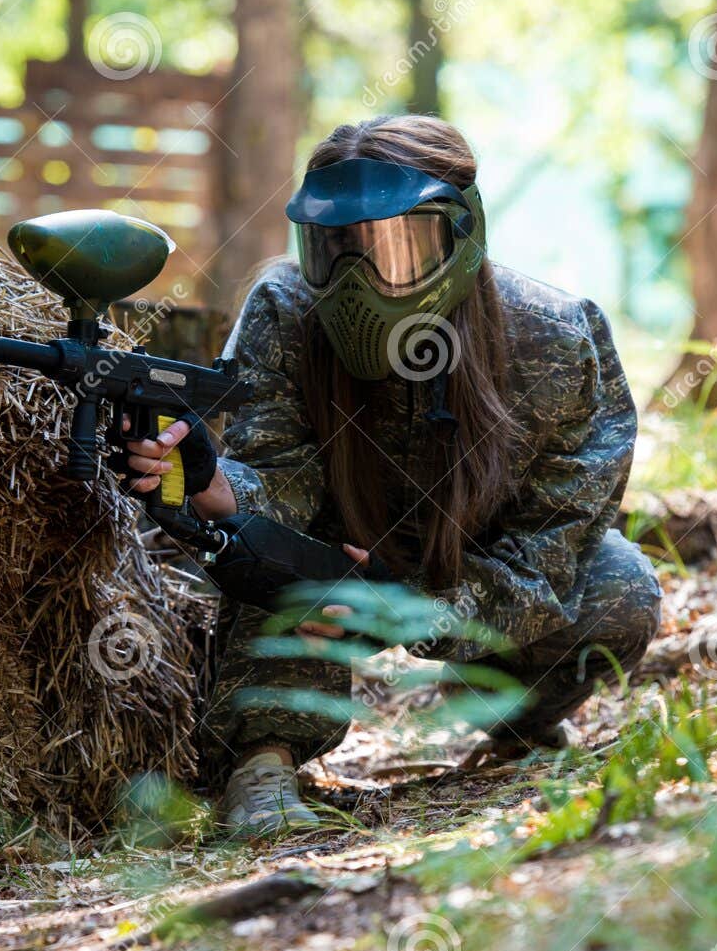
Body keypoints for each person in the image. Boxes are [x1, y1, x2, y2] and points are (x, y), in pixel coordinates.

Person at [118, 115, 662, 836]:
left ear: (463, 235)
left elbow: (552, 552)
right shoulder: (286, 311)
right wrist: (218, 488)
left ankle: (514, 722)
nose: (360, 282)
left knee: (621, 588)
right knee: (269, 559)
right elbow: (278, 482)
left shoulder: (557, 340)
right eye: (337, 250)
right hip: (335, 563)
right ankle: (262, 763)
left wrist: (417, 609)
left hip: (475, 565)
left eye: (397, 249)